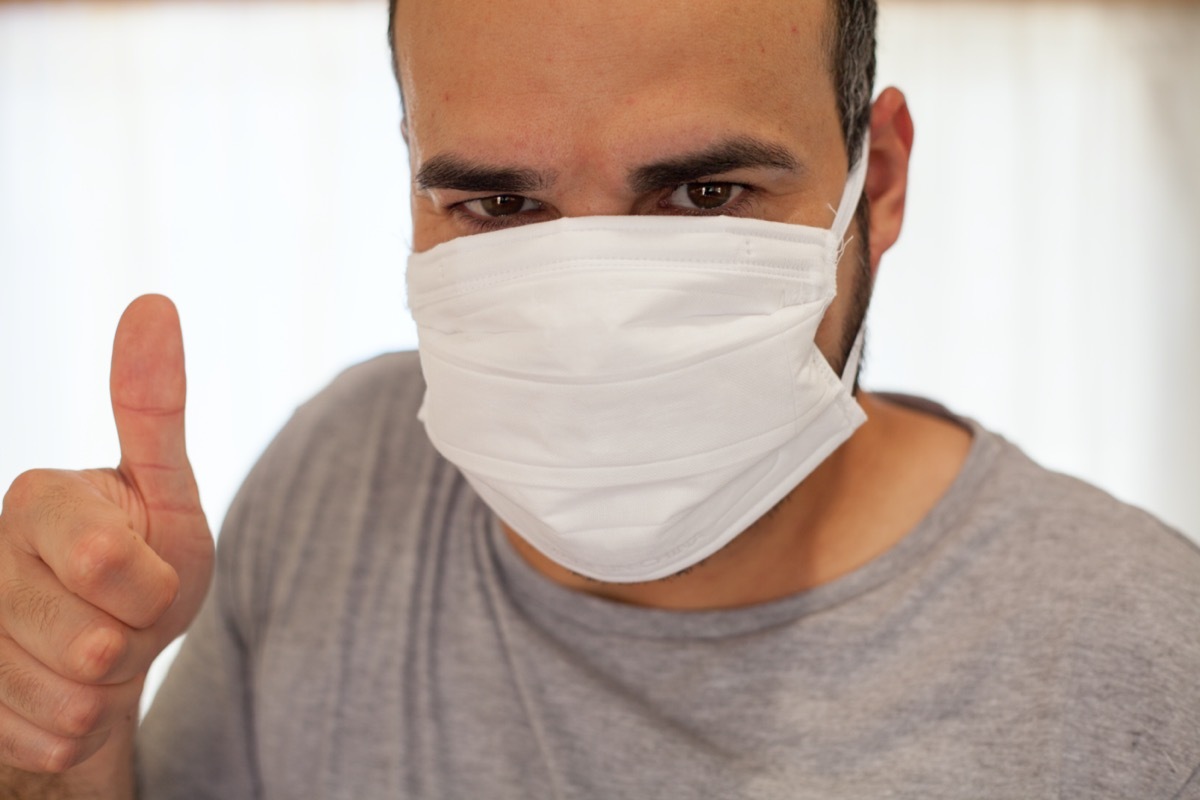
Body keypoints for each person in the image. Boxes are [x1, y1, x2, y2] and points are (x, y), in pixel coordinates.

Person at [2, 0, 1198, 796]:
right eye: (501, 207)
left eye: (704, 195)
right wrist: (70, 744)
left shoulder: (1147, 663)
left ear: (875, 181)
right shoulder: (337, 475)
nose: (594, 313)